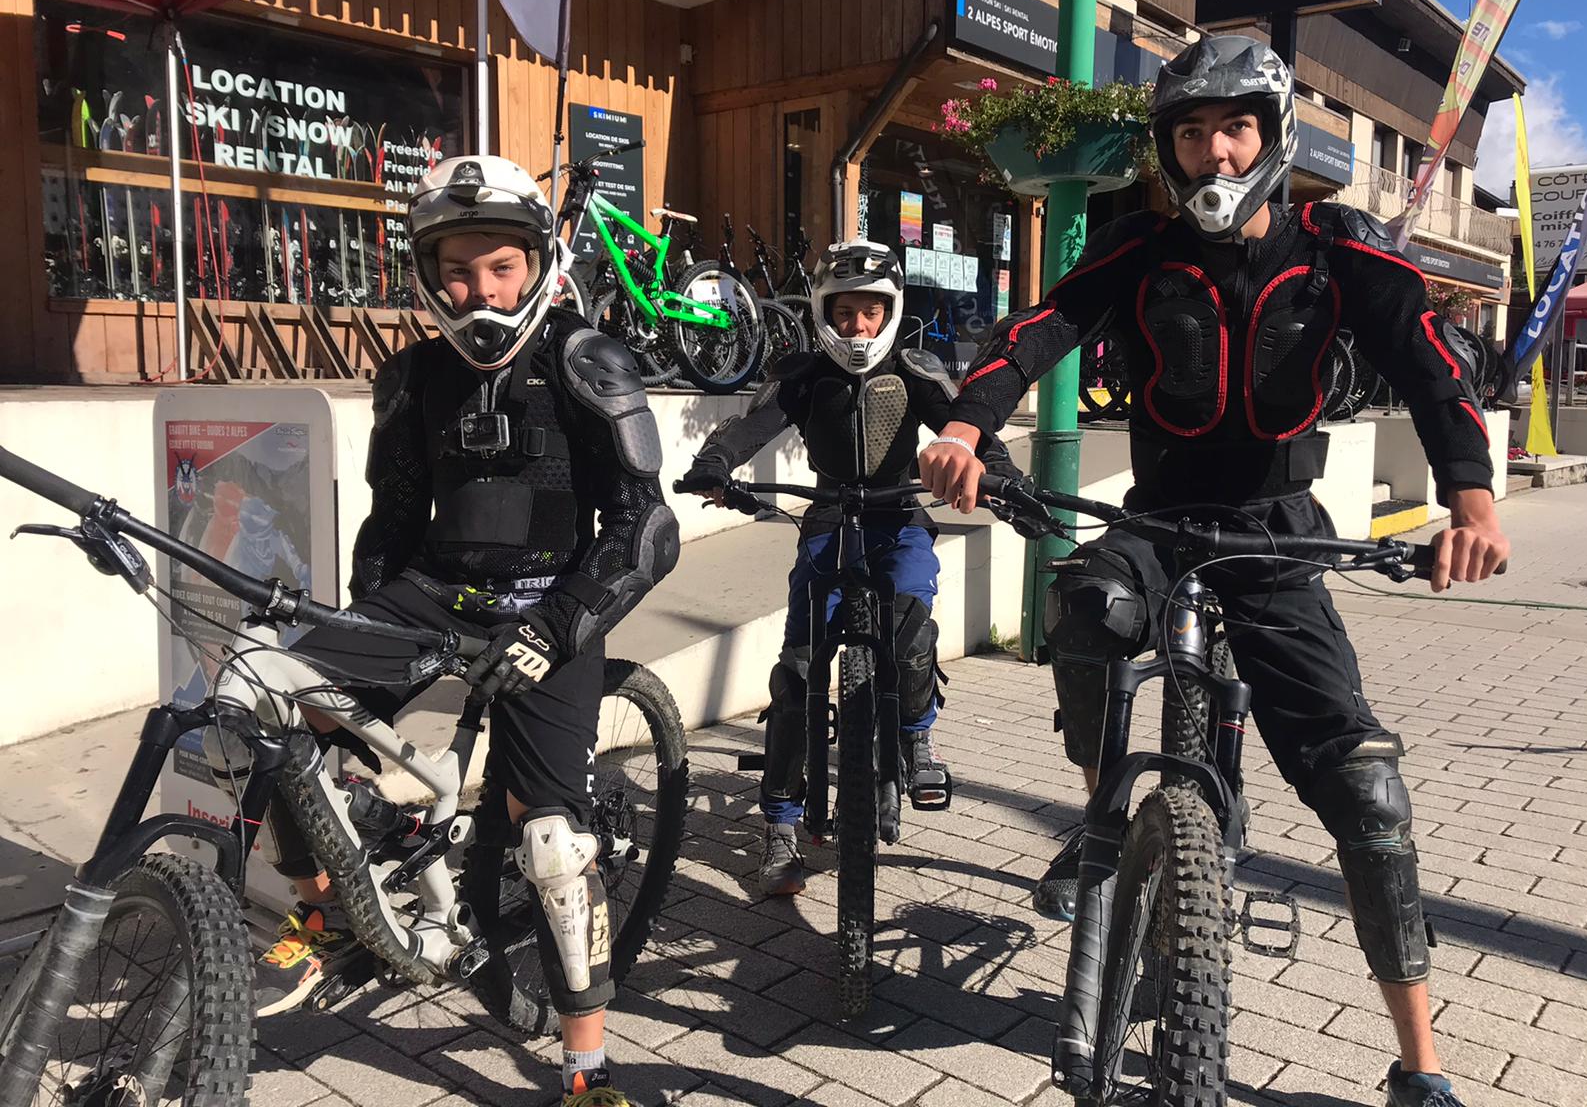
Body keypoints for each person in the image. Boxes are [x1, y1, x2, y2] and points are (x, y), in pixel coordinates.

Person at [919, 37, 1511, 1107]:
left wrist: (1470, 497)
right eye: (1189, 132)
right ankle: (1104, 812)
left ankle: (1419, 1065)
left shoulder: (1337, 248)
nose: (1211, 150)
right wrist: (965, 426)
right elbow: (1039, 326)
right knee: (1088, 606)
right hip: (1164, 518)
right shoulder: (1138, 245)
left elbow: (1430, 358)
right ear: (1167, 148)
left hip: (1279, 536)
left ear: (1271, 136)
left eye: (1232, 126)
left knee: (1368, 795)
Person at [249, 155, 679, 1107]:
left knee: (555, 844)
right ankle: (323, 922)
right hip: (434, 593)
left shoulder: (587, 359)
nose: (478, 290)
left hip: (551, 606)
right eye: (456, 270)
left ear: (539, 262)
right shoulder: (408, 376)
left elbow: (647, 527)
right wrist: (351, 639)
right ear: (425, 273)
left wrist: (561, 625)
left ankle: (586, 1066)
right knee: (266, 695)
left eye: (500, 268)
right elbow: (392, 524)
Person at [680, 240, 1026, 895]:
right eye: (844, 312)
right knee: (798, 676)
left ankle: (919, 738)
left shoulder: (915, 369)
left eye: (871, 311)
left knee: (913, 626)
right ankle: (779, 824)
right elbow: (750, 428)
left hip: (899, 524)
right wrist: (715, 465)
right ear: (822, 312)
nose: (858, 327)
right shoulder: (801, 374)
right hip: (828, 523)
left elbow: (966, 428)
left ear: (891, 310)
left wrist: (1005, 482)